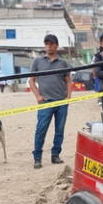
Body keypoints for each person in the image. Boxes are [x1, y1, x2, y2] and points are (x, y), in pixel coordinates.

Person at [28, 34, 72, 169]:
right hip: (45, 102)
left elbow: (68, 80)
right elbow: (31, 80)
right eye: (46, 44)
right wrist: (38, 96)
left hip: (61, 102)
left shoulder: (63, 63)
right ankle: (37, 157)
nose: (49, 46)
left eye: (51, 44)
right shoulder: (37, 62)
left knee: (59, 130)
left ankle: (55, 155)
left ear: (56, 46)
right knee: (41, 129)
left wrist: (68, 96)